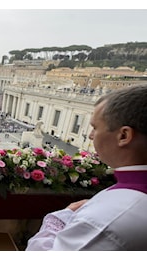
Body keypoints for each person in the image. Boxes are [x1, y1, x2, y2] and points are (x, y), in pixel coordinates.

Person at [26, 84, 147, 250]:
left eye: (95, 127)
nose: (90, 135)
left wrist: (58, 220)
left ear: (123, 135)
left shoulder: (105, 219)